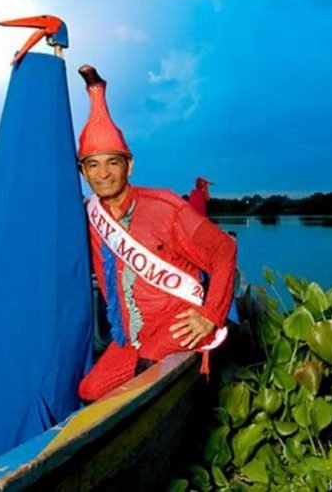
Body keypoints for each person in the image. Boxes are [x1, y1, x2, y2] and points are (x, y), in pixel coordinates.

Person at [76, 65, 237, 402]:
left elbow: (223, 249)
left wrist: (210, 315)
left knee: (147, 368)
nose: (103, 173)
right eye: (93, 164)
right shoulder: (90, 217)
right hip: (132, 335)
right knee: (89, 390)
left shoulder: (164, 206)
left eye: (113, 162)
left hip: (178, 322)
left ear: (129, 166)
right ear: (83, 173)